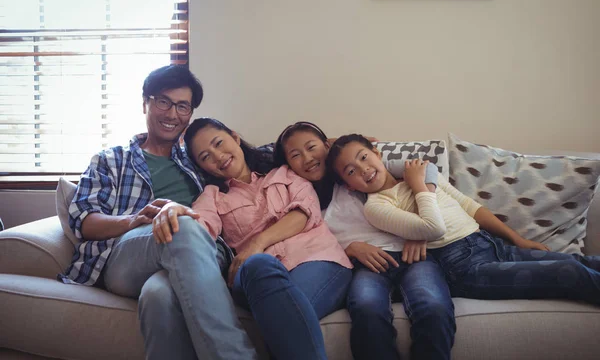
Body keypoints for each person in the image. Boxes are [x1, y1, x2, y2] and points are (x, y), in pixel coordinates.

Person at [61, 65, 258, 360]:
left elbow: (249, 159)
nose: (172, 114)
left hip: (201, 254)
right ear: (146, 103)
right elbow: (85, 222)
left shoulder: (198, 157)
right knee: (183, 225)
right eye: (163, 101)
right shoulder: (110, 160)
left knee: (158, 295)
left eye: (183, 106)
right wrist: (133, 220)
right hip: (128, 256)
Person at [151, 118, 353, 360]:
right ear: (202, 167)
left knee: (280, 309)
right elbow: (198, 228)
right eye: (205, 157)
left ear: (235, 138)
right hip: (256, 277)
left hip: (317, 259)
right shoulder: (213, 197)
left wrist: (257, 244)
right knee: (258, 266)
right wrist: (173, 209)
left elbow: (303, 213)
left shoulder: (285, 172)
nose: (218, 156)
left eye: (219, 143)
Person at [328, 133, 600, 308]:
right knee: (569, 274)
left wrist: (517, 239)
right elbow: (433, 228)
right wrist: (419, 186)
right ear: (348, 186)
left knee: (577, 261)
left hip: (491, 243)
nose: (363, 169)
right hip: (463, 266)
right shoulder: (377, 206)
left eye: (364, 157)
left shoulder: (421, 173)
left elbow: (469, 206)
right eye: (351, 171)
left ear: (377, 153)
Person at [274, 122, 454, 360]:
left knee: (433, 307)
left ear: (326, 146)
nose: (307, 158)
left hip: (414, 255)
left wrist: (419, 228)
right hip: (366, 266)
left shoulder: (357, 168)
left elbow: (426, 169)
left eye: (312, 147)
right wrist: (350, 248)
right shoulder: (297, 194)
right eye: (296, 155)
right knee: (367, 308)